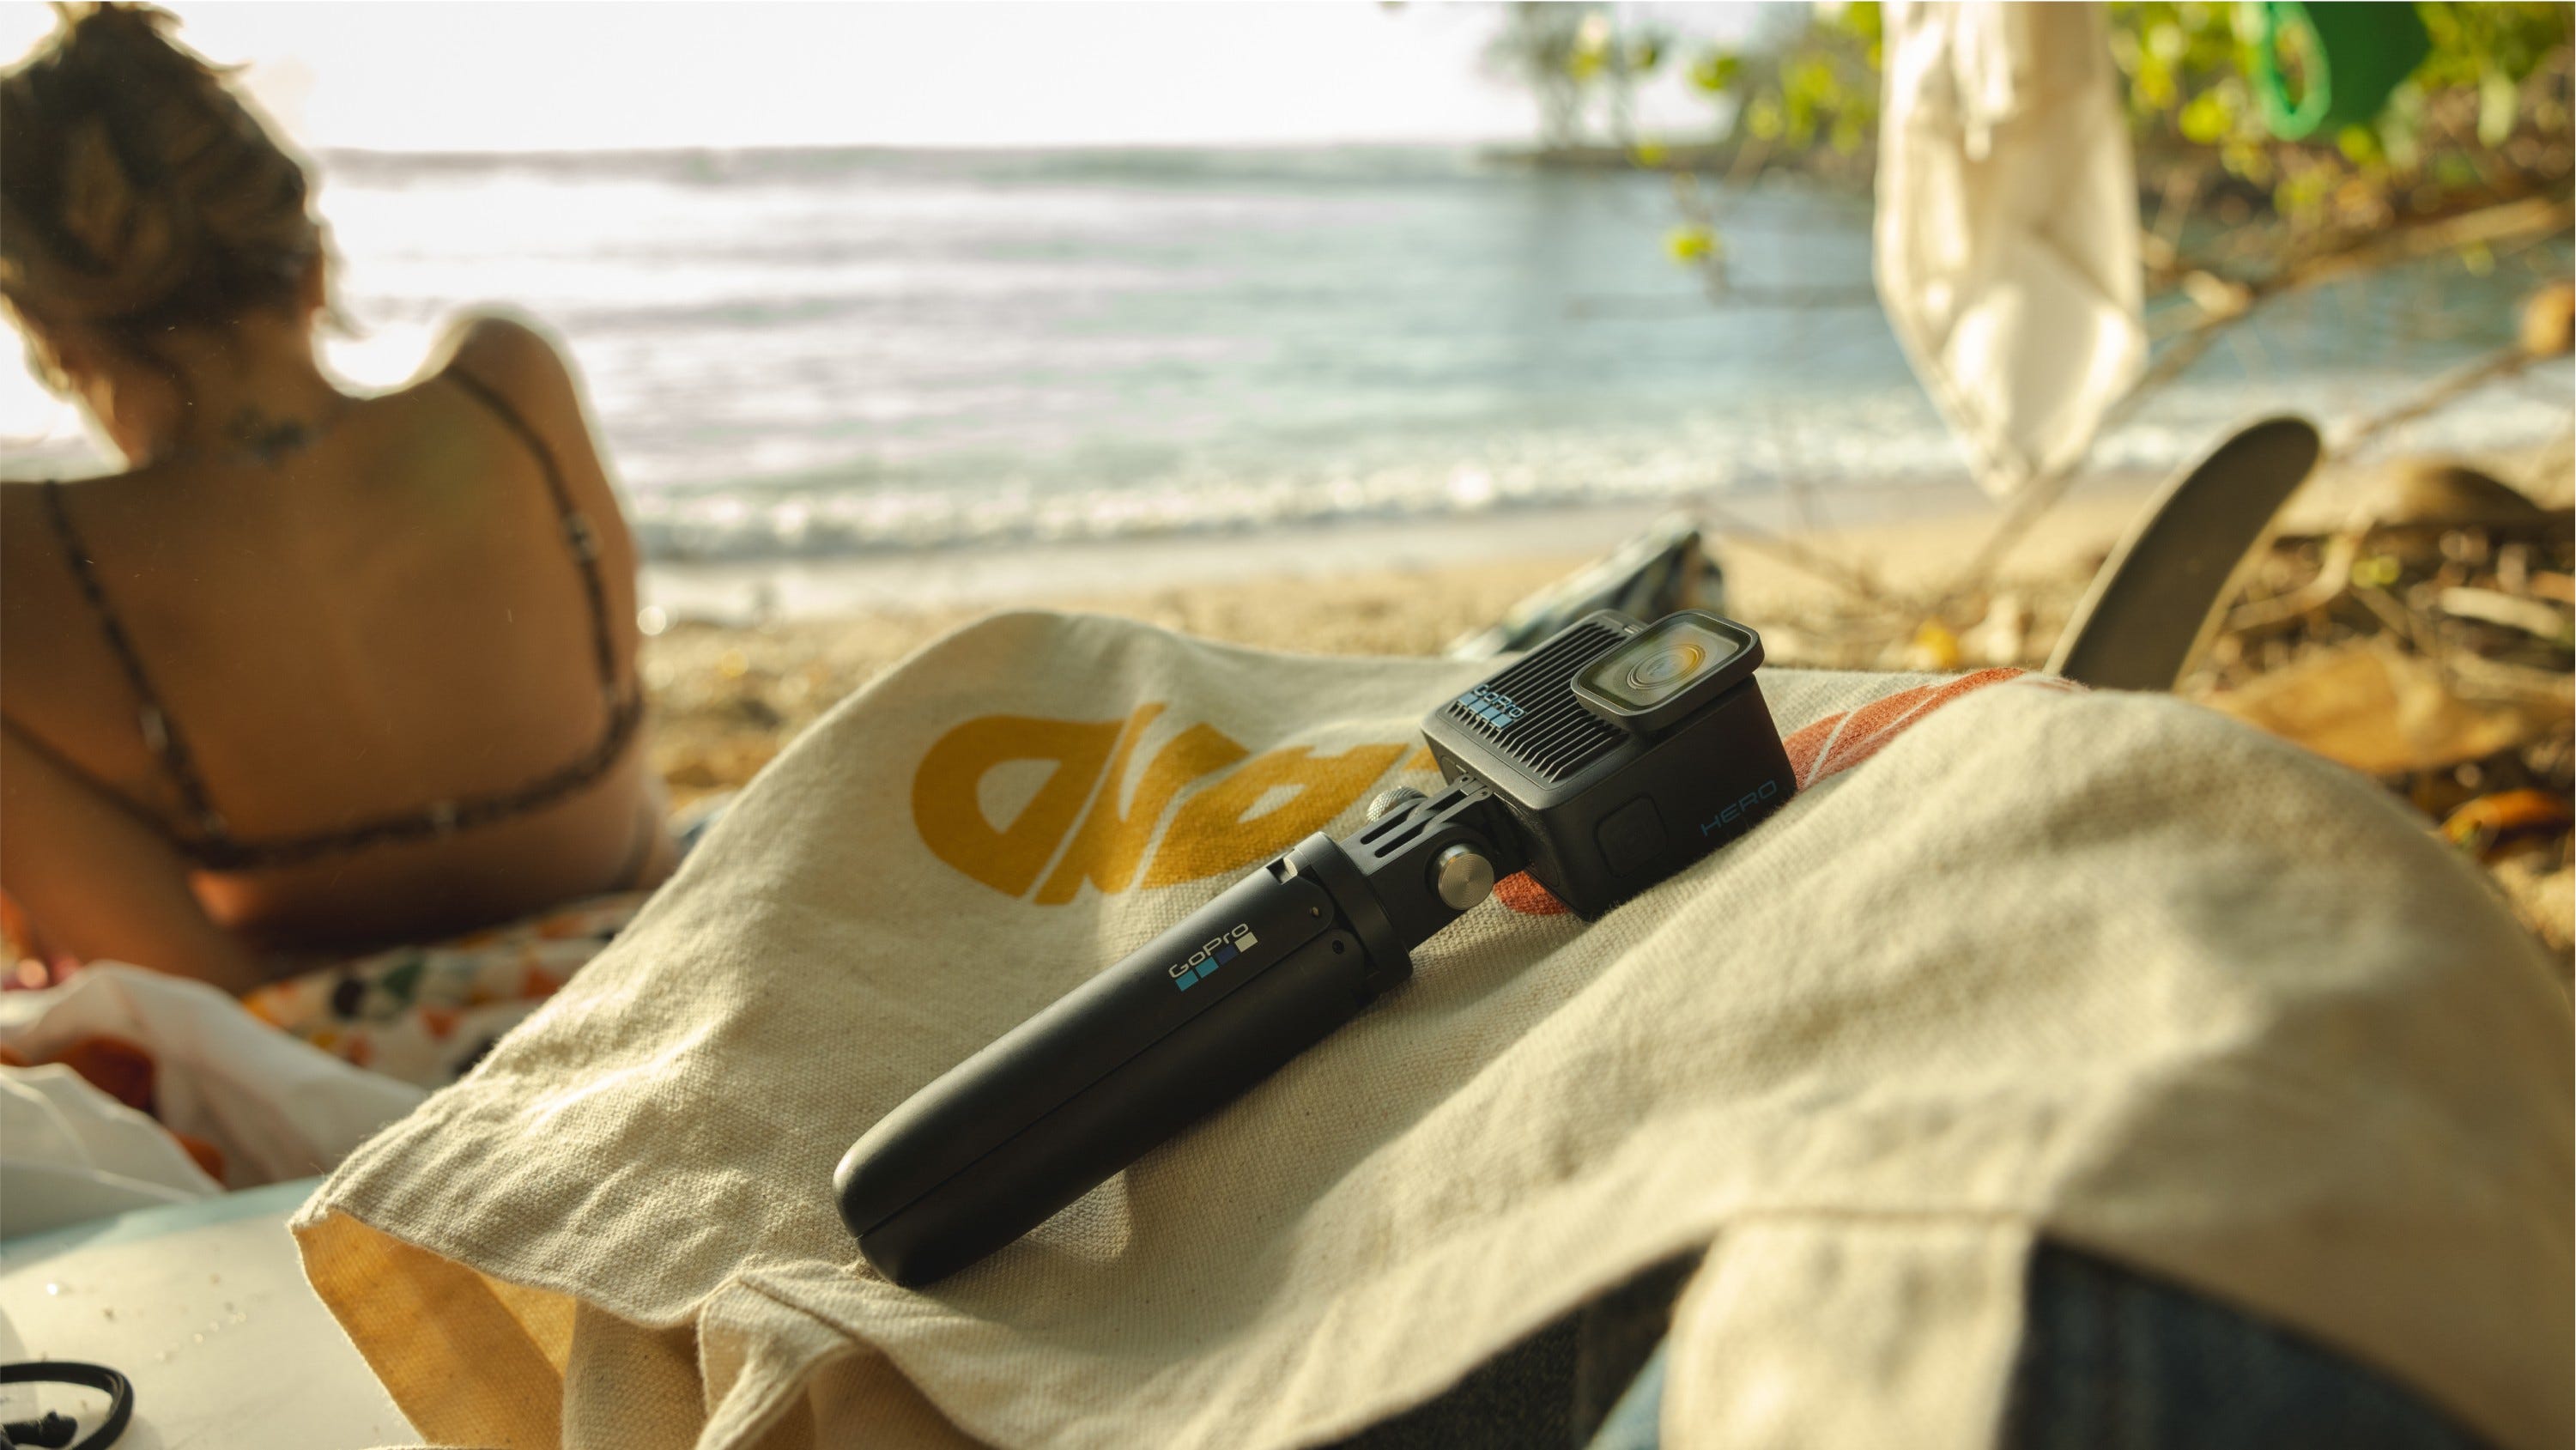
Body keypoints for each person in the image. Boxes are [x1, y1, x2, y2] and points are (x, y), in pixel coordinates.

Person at [0, 4, 674, 994]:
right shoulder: (508, 384)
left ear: (54, 341)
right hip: (651, 972)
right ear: (311, 263)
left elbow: (194, 990)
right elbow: (620, 696)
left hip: (343, 1081)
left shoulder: (30, 556)